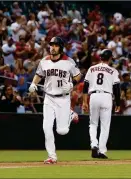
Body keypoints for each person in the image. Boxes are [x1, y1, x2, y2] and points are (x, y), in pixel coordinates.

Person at [28, 36, 81, 164]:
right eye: (51, 45)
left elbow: (78, 76)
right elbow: (39, 74)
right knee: (46, 127)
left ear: (61, 47)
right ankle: (52, 156)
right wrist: (33, 84)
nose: (53, 47)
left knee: (62, 131)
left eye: (56, 45)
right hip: (49, 98)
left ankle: (70, 113)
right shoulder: (44, 61)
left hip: (63, 99)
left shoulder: (69, 61)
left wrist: (71, 84)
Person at [82, 49, 121, 159]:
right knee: (105, 125)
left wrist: (85, 101)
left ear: (100, 57)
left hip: (94, 96)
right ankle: (102, 150)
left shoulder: (92, 68)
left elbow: (85, 86)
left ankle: (94, 145)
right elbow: (117, 88)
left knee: (93, 124)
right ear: (109, 59)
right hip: (107, 96)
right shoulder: (113, 71)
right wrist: (118, 103)